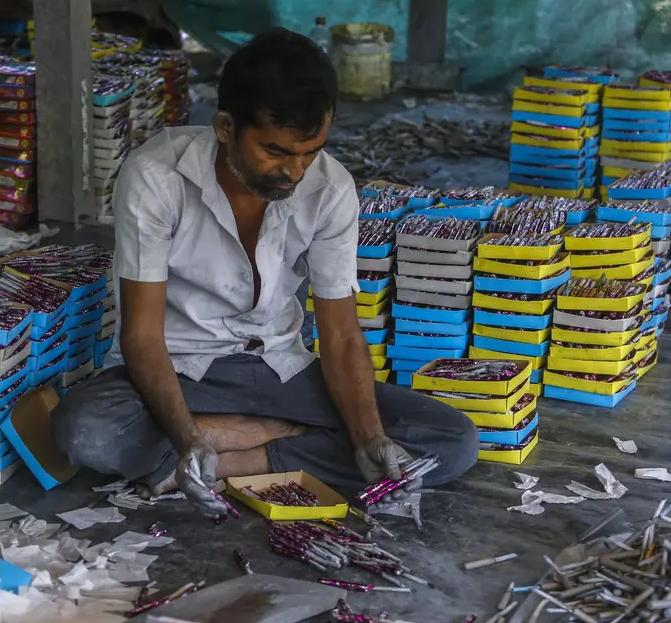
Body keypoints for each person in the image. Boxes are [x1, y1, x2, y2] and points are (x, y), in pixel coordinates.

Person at [52, 28, 479, 517]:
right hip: (180, 370)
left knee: (453, 440)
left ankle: (237, 459)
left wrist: (369, 437)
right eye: (276, 152)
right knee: (86, 431)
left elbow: (340, 335)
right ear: (226, 128)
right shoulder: (155, 177)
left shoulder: (331, 189)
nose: (294, 172)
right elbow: (143, 337)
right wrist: (189, 435)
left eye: (310, 151)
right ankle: (282, 438)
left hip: (280, 367)